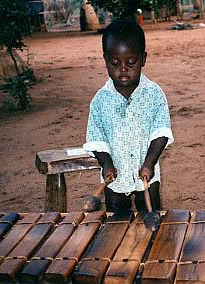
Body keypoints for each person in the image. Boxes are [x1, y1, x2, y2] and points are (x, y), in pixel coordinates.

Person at [83, 19, 174, 218]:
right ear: (106, 60)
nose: (123, 69)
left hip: (147, 174)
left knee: (150, 216)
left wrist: (149, 163)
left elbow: (161, 132)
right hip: (114, 177)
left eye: (130, 63)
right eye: (115, 63)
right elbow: (97, 138)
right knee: (116, 222)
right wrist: (106, 163)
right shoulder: (99, 100)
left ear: (143, 59)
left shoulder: (154, 94)